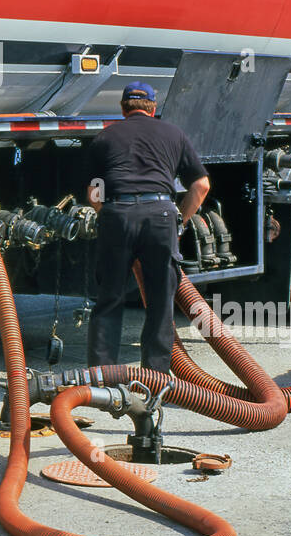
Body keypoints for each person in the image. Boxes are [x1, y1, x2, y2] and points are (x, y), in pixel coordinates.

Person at [85, 81, 209, 373]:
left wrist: (110, 214)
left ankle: (102, 379)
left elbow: (94, 192)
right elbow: (201, 185)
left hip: (117, 214)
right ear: (153, 108)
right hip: (161, 215)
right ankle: (154, 380)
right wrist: (181, 219)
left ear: (123, 108)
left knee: (109, 298)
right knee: (160, 302)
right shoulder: (174, 134)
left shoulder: (105, 137)